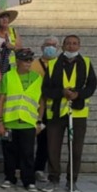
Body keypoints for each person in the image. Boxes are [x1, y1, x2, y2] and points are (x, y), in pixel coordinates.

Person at [41, 35, 97, 192]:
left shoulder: (86, 63)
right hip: (56, 112)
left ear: (79, 45)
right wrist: (61, 92)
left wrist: (78, 94)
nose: (71, 46)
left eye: (74, 44)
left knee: (76, 149)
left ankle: (72, 181)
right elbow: (45, 89)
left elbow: (92, 85)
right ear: (63, 46)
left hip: (78, 112)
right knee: (53, 148)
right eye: (68, 43)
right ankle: (53, 179)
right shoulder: (52, 64)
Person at [0, 48, 44, 191]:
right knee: (9, 153)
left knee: (28, 153)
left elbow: (41, 101)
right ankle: (9, 177)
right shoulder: (8, 76)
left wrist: (39, 121)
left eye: (30, 60)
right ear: (17, 61)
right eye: (25, 60)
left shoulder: (37, 78)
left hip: (28, 122)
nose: (28, 63)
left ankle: (28, 180)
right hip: (10, 121)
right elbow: (1, 100)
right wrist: (0, 121)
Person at [31, 35, 60, 181]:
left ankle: (46, 169)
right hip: (38, 107)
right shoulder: (34, 64)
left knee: (50, 141)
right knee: (40, 139)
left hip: (55, 109)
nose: (50, 47)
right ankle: (36, 168)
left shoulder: (60, 64)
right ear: (42, 47)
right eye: (48, 44)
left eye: (53, 45)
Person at [0, 9, 22, 74]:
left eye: (6, 17)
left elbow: (20, 49)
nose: (5, 19)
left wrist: (12, 47)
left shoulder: (13, 31)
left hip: (10, 68)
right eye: (2, 17)